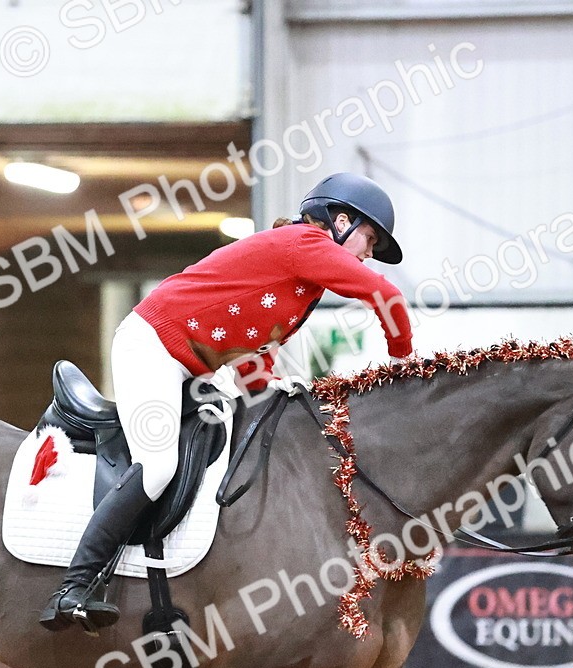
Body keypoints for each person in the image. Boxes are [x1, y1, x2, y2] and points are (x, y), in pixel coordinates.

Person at [40, 172, 415, 631]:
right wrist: (403, 361)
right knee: (158, 466)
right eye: (369, 238)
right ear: (339, 221)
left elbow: (251, 339)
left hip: (194, 366)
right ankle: (73, 586)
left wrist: (272, 381)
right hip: (153, 346)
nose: (368, 253)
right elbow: (387, 295)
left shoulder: (303, 275)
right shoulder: (305, 244)